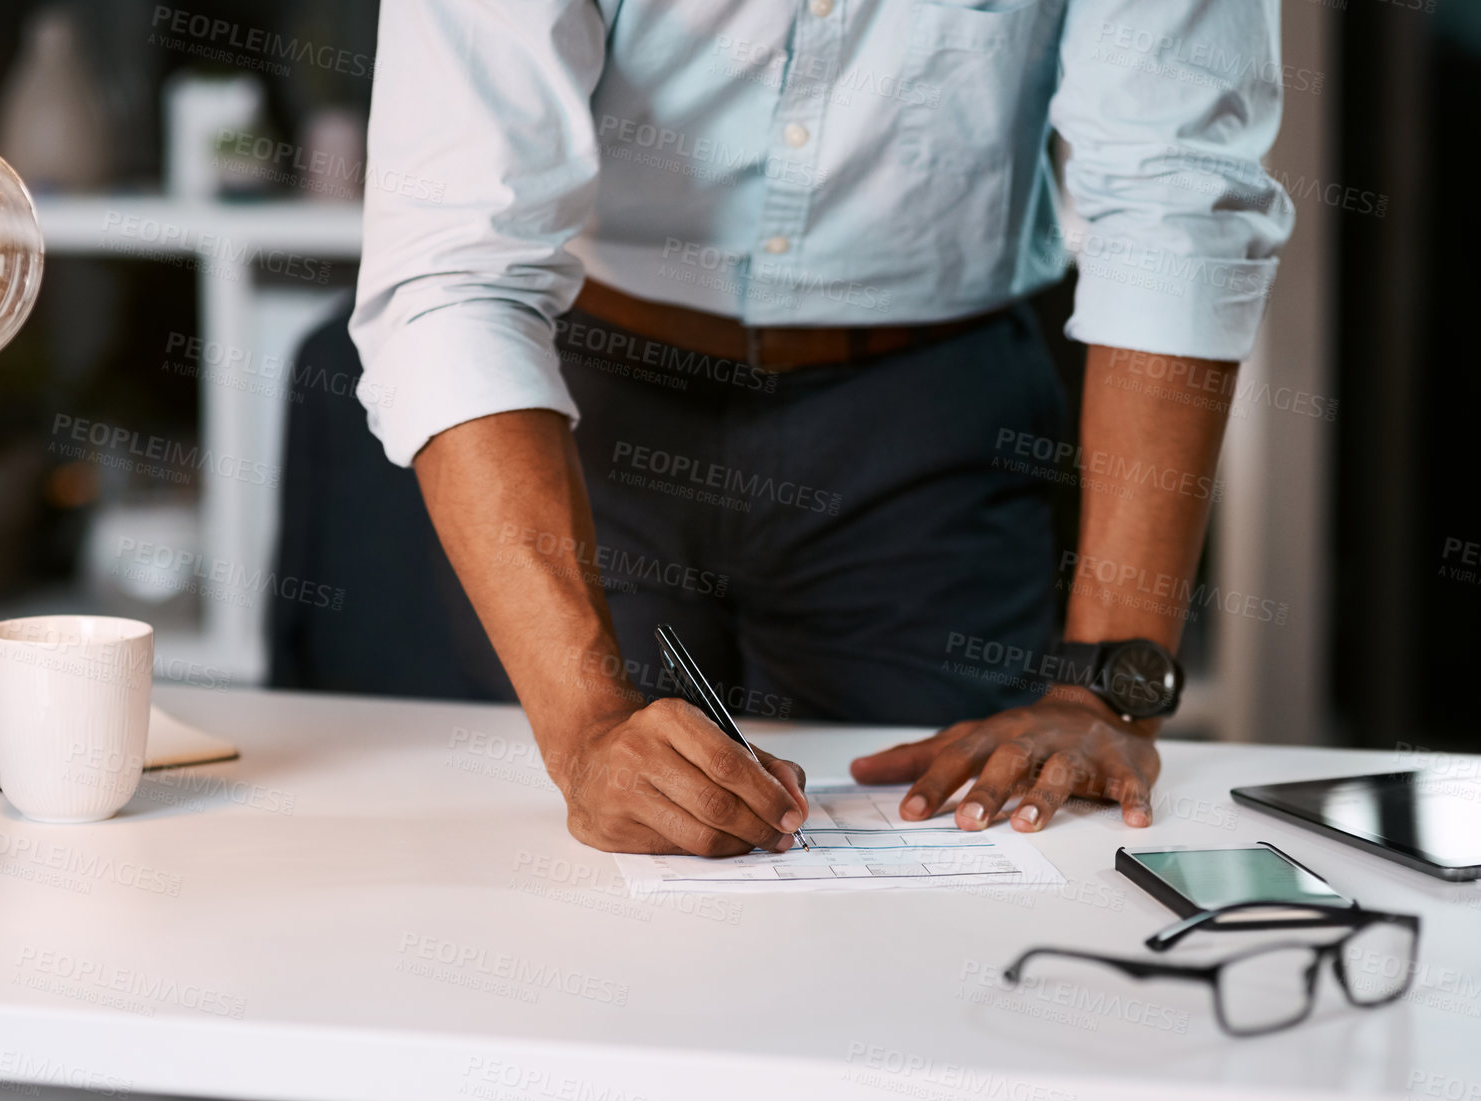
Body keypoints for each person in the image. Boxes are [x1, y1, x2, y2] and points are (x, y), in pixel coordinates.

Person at [344, 0, 1293, 855]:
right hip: (594, 420)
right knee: (599, 867)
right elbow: (456, 273)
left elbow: (1178, 208)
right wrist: (585, 724)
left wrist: (1103, 690)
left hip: (929, 424)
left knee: (959, 860)